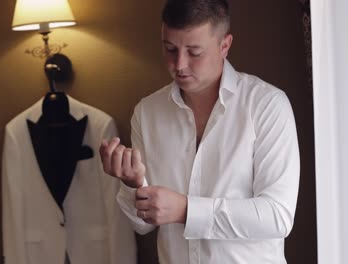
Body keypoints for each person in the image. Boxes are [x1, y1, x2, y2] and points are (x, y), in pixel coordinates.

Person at [99, 0, 300, 263]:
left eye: (194, 52)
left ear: (224, 46)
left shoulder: (266, 105)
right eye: (170, 49)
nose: (179, 64)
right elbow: (143, 225)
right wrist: (132, 184)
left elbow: (278, 216)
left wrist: (187, 210)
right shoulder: (147, 113)